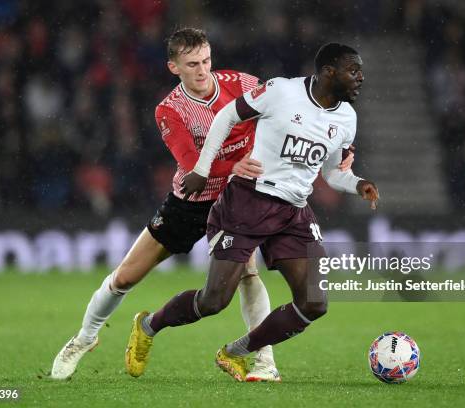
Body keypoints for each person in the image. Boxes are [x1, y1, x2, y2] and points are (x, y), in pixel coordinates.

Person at [51, 28, 356, 382]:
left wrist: (339, 148)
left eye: (207, 61)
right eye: (192, 64)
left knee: (248, 273)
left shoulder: (241, 83)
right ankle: (84, 340)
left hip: (246, 197)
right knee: (125, 277)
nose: (202, 70)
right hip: (192, 202)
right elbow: (191, 163)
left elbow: (291, 108)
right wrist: (235, 163)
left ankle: (263, 360)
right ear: (173, 67)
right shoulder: (169, 110)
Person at [124, 42, 378, 382]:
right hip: (248, 202)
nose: (360, 78)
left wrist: (358, 183)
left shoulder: (347, 118)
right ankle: (149, 325)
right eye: (353, 70)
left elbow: (332, 172)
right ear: (329, 72)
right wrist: (202, 166)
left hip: (295, 212)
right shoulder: (281, 91)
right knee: (213, 301)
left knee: (314, 303)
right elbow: (228, 115)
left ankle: (236, 352)